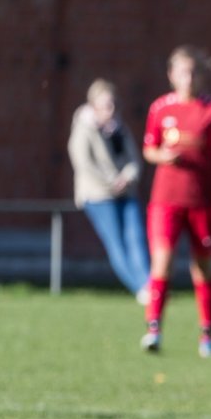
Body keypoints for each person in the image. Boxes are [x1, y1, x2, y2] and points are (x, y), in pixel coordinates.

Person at [140, 45, 211, 357]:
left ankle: (207, 335)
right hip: (165, 200)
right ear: (171, 75)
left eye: (194, 72)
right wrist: (162, 156)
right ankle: (153, 328)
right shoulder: (160, 109)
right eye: (182, 71)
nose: (188, 77)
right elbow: (149, 148)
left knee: (202, 266)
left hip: (201, 201)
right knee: (162, 261)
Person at [67, 79, 150, 302]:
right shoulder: (83, 130)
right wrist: (112, 181)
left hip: (126, 192)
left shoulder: (119, 129)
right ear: (93, 106)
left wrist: (128, 176)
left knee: (137, 238)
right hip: (99, 196)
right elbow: (84, 164)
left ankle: (150, 284)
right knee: (117, 243)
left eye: (113, 105)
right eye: (104, 106)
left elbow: (133, 159)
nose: (109, 110)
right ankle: (141, 289)